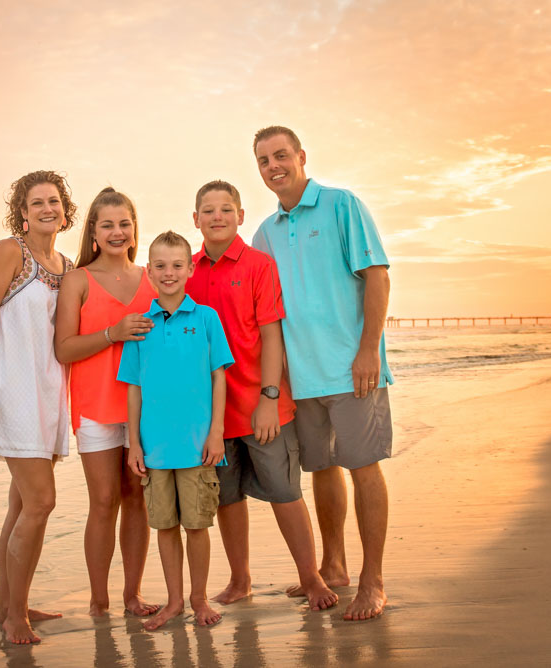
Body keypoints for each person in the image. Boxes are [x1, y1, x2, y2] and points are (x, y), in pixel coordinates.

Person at [251, 126, 394, 621]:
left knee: (362, 467)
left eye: (281, 155)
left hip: (352, 369)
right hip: (300, 377)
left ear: (301, 156)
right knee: (323, 469)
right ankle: (333, 567)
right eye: (265, 160)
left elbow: (377, 274)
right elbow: (262, 309)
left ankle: (373, 582)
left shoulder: (340, 204)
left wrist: (368, 352)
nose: (274, 166)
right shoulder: (266, 232)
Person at [186, 180, 339, 612]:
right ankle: (240, 581)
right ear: (194, 219)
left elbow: (272, 334)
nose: (217, 217)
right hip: (213, 415)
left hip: (262, 407)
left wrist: (269, 397)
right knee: (227, 498)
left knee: (284, 492)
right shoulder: (187, 271)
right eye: (208, 210)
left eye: (225, 209)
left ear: (240, 216)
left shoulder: (258, 265)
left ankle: (310, 578)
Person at [0, 170, 77, 644]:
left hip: (49, 394)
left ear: (65, 210)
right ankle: (15, 618)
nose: (47, 209)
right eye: (37, 203)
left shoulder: (67, 265)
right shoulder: (10, 252)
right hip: (12, 394)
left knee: (19, 506)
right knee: (41, 502)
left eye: (54, 201)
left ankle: (10, 604)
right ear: (23, 211)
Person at [117, 231, 234, 630]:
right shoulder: (140, 326)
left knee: (197, 525)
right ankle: (173, 602)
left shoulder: (206, 319)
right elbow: (133, 389)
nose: (169, 273)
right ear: (149, 272)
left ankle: (199, 599)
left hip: (197, 447)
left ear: (190, 269)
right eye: (161, 266)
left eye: (177, 265)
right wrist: (134, 442)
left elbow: (220, 377)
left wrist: (216, 431)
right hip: (155, 449)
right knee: (165, 526)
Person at [53, 187, 160, 618]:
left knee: (138, 498)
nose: (117, 232)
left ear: (134, 229)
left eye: (124, 223)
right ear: (93, 232)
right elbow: (63, 349)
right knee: (104, 502)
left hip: (146, 411)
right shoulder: (77, 280)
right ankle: (99, 600)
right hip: (95, 408)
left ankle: (132, 595)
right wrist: (112, 334)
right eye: (107, 224)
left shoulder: (154, 276)